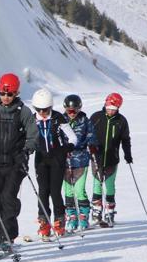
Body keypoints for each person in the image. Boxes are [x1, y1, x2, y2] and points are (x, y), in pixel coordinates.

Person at [0, 73, 36, 252]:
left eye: (10, 94)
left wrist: (26, 151)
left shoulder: (24, 112)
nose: (6, 98)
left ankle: (8, 236)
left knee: (8, 199)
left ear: (17, 93)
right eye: (3, 94)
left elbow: (33, 135)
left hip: (15, 163)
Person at [30, 89, 69, 238]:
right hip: (40, 159)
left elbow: (72, 137)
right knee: (42, 191)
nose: (43, 112)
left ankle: (59, 220)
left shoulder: (58, 118)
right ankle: (44, 222)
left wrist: (66, 148)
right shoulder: (32, 120)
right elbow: (27, 138)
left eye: (45, 110)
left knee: (55, 191)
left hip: (57, 159)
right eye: (39, 110)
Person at [89, 92, 131, 227]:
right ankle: (96, 212)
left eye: (114, 109)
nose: (111, 111)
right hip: (97, 157)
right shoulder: (96, 117)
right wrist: (91, 147)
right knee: (96, 185)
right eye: (109, 107)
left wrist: (127, 154)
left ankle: (110, 212)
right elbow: (88, 134)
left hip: (112, 159)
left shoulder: (121, 121)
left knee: (110, 186)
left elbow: (125, 139)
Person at [60, 94, 97, 231]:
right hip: (65, 160)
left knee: (79, 190)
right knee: (68, 191)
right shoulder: (61, 120)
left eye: (75, 110)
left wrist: (92, 145)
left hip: (81, 159)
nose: (72, 113)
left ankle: (83, 216)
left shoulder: (85, 121)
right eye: (69, 111)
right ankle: (72, 217)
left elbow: (92, 136)